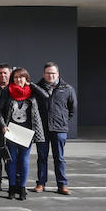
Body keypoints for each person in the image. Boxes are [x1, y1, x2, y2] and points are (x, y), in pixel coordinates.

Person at [0, 67, 46, 200]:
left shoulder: (32, 92)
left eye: (21, 77)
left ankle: (22, 188)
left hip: (27, 132)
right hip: (11, 131)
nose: (18, 80)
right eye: (16, 77)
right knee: (11, 160)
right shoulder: (7, 91)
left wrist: (32, 85)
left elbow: (46, 96)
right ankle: (12, 188)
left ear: (26, 78)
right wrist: (3, 125)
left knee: (24, 161)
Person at [33, 62, 77, 195]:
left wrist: (62, 121)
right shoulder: (36, 88)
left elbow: (72, 109)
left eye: (53, 73)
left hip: (59, 129)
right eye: (48, 73)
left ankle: (62, 185)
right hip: (42, 129)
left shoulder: (67, 88)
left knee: (59, 158)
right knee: (42, 157)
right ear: (44, 74)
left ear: (58, 74)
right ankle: (41, 183)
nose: (50, 75)